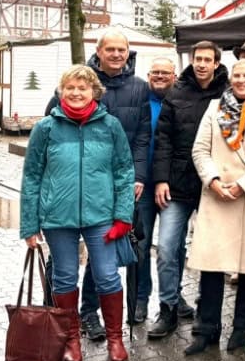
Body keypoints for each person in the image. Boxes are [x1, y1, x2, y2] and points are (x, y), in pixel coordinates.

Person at [21, 65, 135, 361]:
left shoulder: (110, 126)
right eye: (70, 87)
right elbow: (31, 177)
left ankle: (115, 338)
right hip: (58, 217)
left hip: (101, 216)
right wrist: (29, 225)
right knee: (65, 277)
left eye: (82, 88)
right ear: (61, 91)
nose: (76, 93)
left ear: (93, 92)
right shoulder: (45, 128)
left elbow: (124, 171)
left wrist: (123, 215)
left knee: (108, 276)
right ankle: (70, 339)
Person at [43, 29, 150, 342]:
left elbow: (143, 136)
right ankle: (59, 318)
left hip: (118, 183)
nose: (117, 55)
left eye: (122, 50)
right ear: (99, 51)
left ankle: (90, 312)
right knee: (62, 261)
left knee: (104, 256)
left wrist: (138, 176)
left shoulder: (139, 88)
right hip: (73, 187)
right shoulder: (80, 82)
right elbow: (51, 129)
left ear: (128, 53)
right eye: (111, 49)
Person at [185, 59, 245, 355]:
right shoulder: (215, 108)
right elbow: (200, 149)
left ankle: (241, 328)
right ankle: (207, 329)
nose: (241, 80)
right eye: (237, 75)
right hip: (217, 194)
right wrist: (213, 180)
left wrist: (243, 185)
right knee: (212, 266)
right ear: (231, 78)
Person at [148, 41, 228, 339]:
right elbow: (164, 139)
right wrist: (161, 179)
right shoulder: (177, 93)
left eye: (208, 59)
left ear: (217, 63)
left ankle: (208, 315)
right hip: (177, 183)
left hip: (212, 185)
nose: (202, 64)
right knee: (168, 247)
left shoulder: (229, 94)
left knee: (211, 252)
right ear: (192, 61)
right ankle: (168, 307)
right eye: (198, 59)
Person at [132, 57, 177, 324]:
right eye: (155, 72)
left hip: (172, 186)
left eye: (165, 73)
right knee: (141, 245)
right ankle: (140, 298)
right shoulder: (140, 99)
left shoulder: (180, 100)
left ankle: (174, 296)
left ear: (175, 76)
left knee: (172, 247)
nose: (159, 76)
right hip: (143, 185)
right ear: (148, 74)